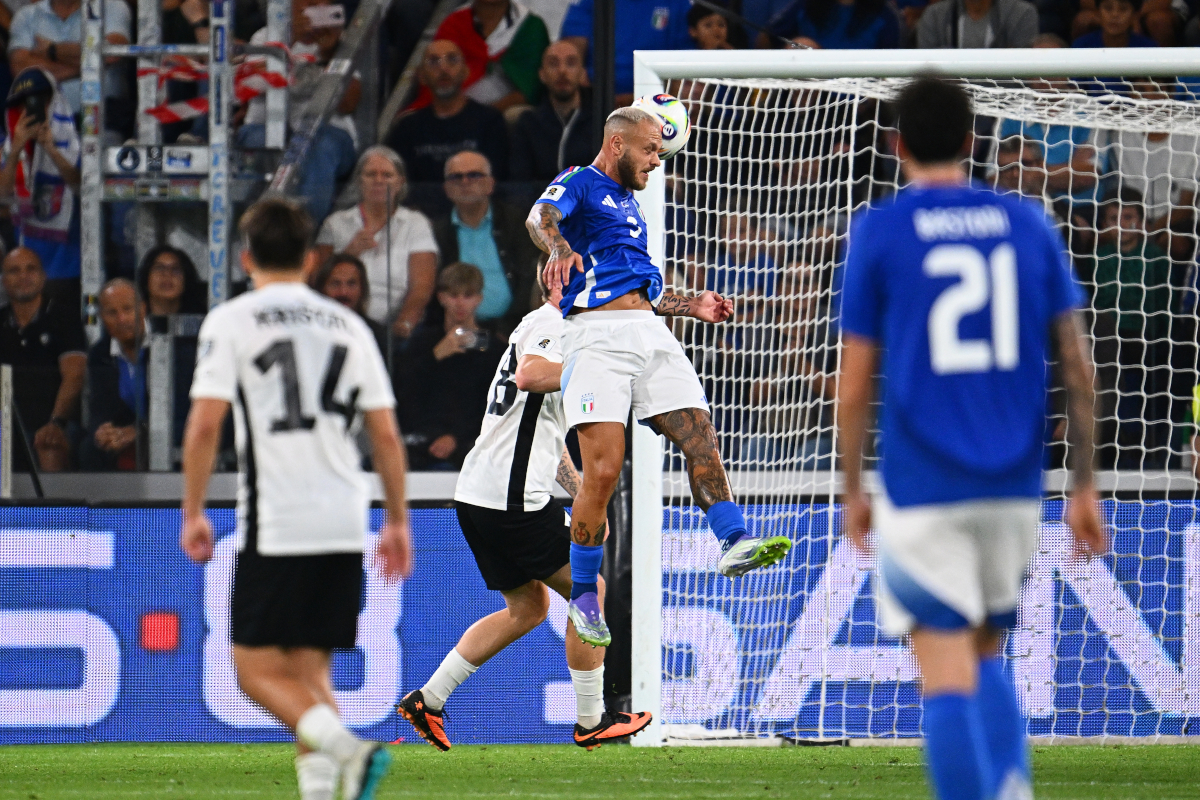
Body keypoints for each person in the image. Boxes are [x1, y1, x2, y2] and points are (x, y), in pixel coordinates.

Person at [838, 76, 1105, 800]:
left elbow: (856, 382)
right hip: (1016, 487)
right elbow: (1078, 369)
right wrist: (1083, 485)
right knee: (986, 655)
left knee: (945, 667)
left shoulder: (882, 230)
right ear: (971, 140)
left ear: (896, 147)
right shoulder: (1027, 223)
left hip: (925, 485)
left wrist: (853, 489)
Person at [528, 106, 792, 646]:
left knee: (699, 434)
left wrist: (691, 304)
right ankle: (582, 597)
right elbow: (540, 217)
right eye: (650, 150)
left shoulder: (630, 206)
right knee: (602, 474)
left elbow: (642, 291)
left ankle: (733, 539)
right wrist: (558, 246)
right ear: (618, 144)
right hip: (596, 340)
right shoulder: (581, 182)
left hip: (648, 331)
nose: (657, 160)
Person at [179, 198, 411, 800]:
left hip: (277, 520)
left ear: (244, 256)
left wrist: (194, 510)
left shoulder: (232, 321)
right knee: (311, 675)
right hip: (343, 519)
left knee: (252, 670)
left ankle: (350, 749)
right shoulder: (349, 326)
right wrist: (398, 523)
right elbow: (384, 434)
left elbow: (205, 425)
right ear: (312, 260)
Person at [397, 261, 653, 751]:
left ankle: (428, 699)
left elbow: (542, 430)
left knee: (528, 606)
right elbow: (533, 376)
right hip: (507, 500)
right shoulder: (551, 325)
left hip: (481, 494)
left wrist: (578, 487)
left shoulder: (547, 328)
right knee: (589, 589)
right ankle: (591, 719)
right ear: (558, 282)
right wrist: (599, 368)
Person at [238, 0, 360, 224]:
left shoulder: (341, 42)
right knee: (258, 139)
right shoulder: (265, 36)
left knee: (320, 145)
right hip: (265, 127)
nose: (315, 9)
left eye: (324, 3)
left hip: (329, 135)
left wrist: (329, 53)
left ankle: (302, 232)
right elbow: (253, 85)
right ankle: (258, 229)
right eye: (310, 2)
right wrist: (291, 38)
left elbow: (348, 103)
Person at [314, 146, 438, 337]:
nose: (379, 181)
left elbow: (421, 288)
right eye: (371, 174)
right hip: (342, 324)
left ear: (400, 183)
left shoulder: (415, 223)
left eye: (387, 175)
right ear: (359, 181)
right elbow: (318, 281)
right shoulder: (336, 223)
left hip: (395, 329)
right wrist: (350, 252)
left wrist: (403, 326)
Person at [394, 261, 504, 469]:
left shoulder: (493, 348)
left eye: (467, 295)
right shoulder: (422, 343)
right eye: (453, 295)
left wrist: (455, 437)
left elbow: (493, 405)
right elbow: (404, 393)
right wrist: (435, 355)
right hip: (422, 440)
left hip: (472, 443)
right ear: (442, 298)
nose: (460, 303)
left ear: (479, 299)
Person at [384, 40, 510, 214]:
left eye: (452, 60)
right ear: (421, 76)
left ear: (466, 72)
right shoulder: (407, 127)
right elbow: (400, 188)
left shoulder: (490, 121)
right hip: (422, 223)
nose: (443, 69)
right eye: (433, 61)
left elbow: (497, 183)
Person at [433, 150, 539, 333]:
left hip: (515, 329)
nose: (465, 182)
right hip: (453, 331)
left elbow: (529, 279)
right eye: (456, 177)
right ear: (446, 189)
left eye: (474, 175)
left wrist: (510, 328)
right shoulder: (437, 231)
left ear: (491, 184)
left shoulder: (518, 222)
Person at [0, 245, 85, 471]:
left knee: (49, 442)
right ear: (3, 280)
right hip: (6, 423)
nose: (23, 276)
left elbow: (75, 374)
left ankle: (52, 507)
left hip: (54, 421)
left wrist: (55, 422)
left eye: (31, 269)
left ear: (43, 276)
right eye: (14, 271)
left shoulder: (63, 317)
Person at [0, 68, 80, 302]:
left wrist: (51, 150)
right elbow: (3, 196)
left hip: (69, 264)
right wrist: (15, 150)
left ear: (54, 102)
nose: (32, 110)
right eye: (25, 104)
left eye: (39, 101)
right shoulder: (8, 147)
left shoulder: (75, 145)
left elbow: (80, 186)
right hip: (26, 270)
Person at [7, 0, 131, 139]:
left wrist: (51, 50)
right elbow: (22, 70)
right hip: (44, 129)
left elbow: (111, 53)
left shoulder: (111, 6)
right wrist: (92, 64)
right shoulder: (27, 15)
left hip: (105, 125)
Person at [409, 0, 550, 114]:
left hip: (498, 116)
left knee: (516, 115)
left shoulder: (531, 27)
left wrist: (479, 117)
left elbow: (528, 91)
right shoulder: (454, 23)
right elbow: (434, 77)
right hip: (450, 107)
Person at [559, 0, 693, 107]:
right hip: (594, 101)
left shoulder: (677, 3)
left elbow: (685, 64)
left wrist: (638, 99)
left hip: (656, 102)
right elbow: (571, 52)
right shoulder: (589, 3)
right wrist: (601, 98)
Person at [81, 278, 146, 471]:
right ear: (101, 316)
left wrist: (141, 431)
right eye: (112, 313)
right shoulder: (100, 353)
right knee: (89, 447)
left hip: (171, 427)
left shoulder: (168, 343)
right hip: (123, 429)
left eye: (128, 309)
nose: (121, 319)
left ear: (143, 309)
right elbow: (99, 406)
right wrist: (102, 431)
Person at [510, 41, 594, 187]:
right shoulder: (528, 124)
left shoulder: (603, 120)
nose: (562, 71)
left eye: (571, 63)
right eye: (553, 64)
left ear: (582, 73)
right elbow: (520, 184)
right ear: (542, 75)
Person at [311, 252, 389, 354]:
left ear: (362, 289)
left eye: (351, 284)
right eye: (335, 284)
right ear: (321, 288)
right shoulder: (310, 330)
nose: (343, 292)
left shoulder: (376, 336)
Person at [761, 0, 901, 49]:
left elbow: (890, 78)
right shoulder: (805, 5)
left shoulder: (886, 16)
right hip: (804, 104)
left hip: (856, 106)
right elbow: (765, 40)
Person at [915, 0, 1038, 48]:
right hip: (948, 99)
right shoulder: (934, 15)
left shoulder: (1023, 13)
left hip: (1005, 99)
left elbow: (1020, 70)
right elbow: (929, 67)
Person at [136, 244, 208, 317]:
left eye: (175, 269)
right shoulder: (133, 320)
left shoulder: (206, 321)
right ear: (146, 278)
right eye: (159, 268)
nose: (168, 274)